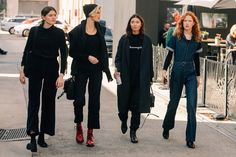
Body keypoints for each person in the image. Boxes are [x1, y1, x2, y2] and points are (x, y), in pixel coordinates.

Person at [19, 6, 68, 152]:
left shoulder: (59, 33)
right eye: (51, 15)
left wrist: (61, 75)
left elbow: (64, 54)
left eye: (55, 15)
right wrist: (22, 70)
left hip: (51, 70)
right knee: (34, 102)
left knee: (48, 102)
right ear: (43, 17)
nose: (54, 17)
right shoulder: (34, 31)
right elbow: (27, 50)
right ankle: (33, 137)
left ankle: (42, 136)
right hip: (34, 68)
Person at [68, 4, 112, 147]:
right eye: (97, 12)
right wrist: (87, 57)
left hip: (96, 70)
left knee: (94, 101)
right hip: (81, 69)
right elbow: (72, 52)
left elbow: (103, 52)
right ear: (89, 14)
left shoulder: (101, 30)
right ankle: (79, 126)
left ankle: (90, 132)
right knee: (79, 99)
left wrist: (106, 70)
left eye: (99, 11)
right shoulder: (76, 31)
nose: (99, 14)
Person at [161, 11, 202, 149]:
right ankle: (167, 126)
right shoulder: (175, 36)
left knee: (191, 106)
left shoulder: (197, 38)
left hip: (191, 73)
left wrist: (198, 76)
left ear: (194, 23)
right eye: (185, 21)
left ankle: (190, 138)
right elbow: (169, 55)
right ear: (182, 23)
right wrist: (164, 69)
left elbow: (196, 59)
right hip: (177, 71)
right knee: (173, 103)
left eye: (190, 21)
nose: (187, 23)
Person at [114, 14, 154, 143]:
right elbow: (118, 57)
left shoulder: (146, 40)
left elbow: (149, 60)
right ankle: (123, 119)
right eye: (133, 22)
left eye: (137, 22)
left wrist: (150, 77)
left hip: (140, 80)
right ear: (129, 24)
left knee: (136, 107)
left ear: (141, 24)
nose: (135, 24)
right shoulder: (124, 39)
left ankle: (133, 131)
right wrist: (118, 69)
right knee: (123, 105)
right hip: (125, 78)